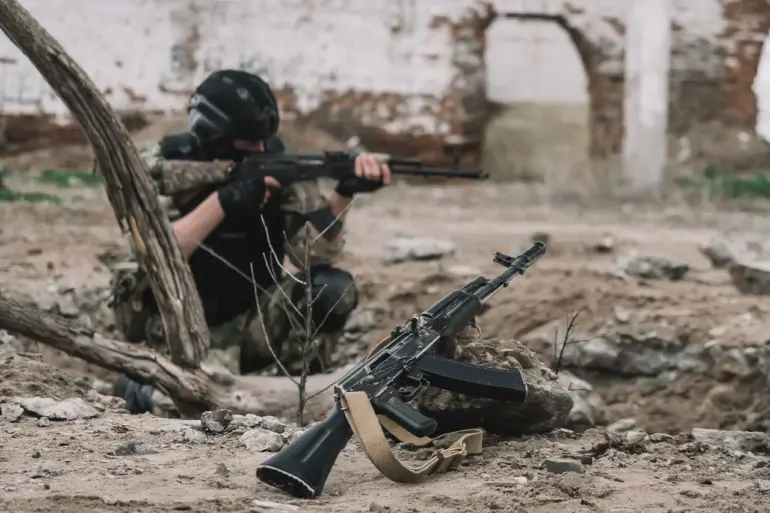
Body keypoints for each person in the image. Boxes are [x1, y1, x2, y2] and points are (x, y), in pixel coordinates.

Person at [109, 69, 391, 415]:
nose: (260, 149)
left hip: (255, 322)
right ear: (214, 135)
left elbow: (312, 256)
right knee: (196, 408)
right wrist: (226, 200)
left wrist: (343, 195)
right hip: (180, 328)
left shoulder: (275, 163)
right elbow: (155, 255)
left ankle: (303, 391)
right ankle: (141, 389)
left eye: (263, 140)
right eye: (248, 143)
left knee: (331, 289)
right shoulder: (164, 166)